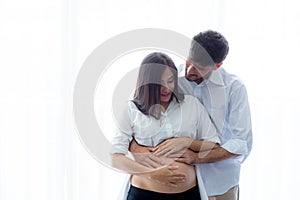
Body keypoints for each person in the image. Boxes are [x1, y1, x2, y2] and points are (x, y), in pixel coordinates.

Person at [130, 30, 253, 200]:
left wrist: (196, 156)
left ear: (217, 66)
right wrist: (140, 151)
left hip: (219, 183)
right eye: (189, 61)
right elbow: (137, 117)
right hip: (178, 188)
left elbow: (242, 142)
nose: (190, 70)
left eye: (200, 67)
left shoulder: (234, 88)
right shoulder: (172, 78)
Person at [110, 52, 220, 200]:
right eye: (159, 84)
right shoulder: (131, 110)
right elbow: (115, 158)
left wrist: (186, 142)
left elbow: (213, 144)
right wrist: (152, 174)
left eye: (170, 81)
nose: (166, 88)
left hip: (188, 194)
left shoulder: (191, 105)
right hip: (143, 194)